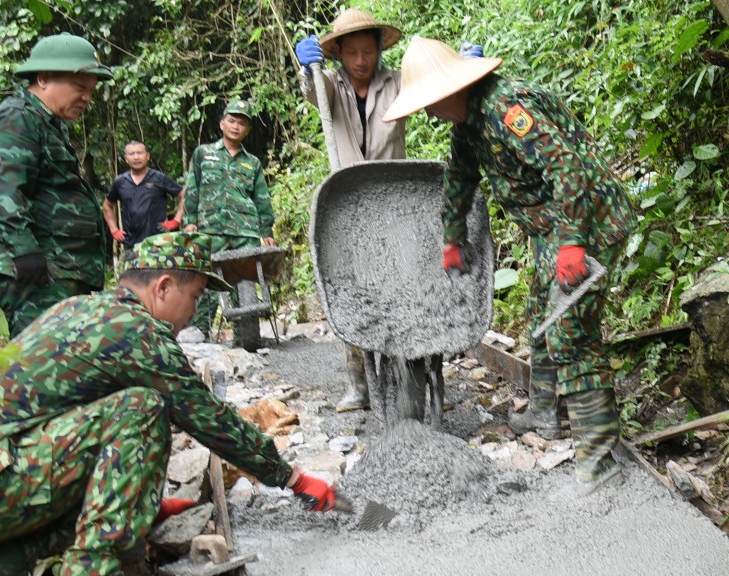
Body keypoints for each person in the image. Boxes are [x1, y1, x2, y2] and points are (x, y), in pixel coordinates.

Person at [0, 232, 343, 576]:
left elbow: (78, 438)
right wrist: (292, 477)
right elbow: (205, 418)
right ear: (163, 286)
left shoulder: (82, 310)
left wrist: (142, 504)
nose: (194, 311)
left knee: (117, 498)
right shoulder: (135, 332)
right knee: (143, 408)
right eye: (194, 297)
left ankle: (0, 567)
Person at [382, 36, 637, 493]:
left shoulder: (507, 110)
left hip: (587, 219)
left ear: (448, 92)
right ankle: (546, 413)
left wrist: (575, 244)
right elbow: (459, 178)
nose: (426, 113)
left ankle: (599, 461)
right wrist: (452, 238)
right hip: (550, 228)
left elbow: (569, 169)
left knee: (569, 330)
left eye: (428, 103)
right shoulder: (467, 126)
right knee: (540, 316)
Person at [294, 9, 444, 414]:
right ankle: (358, 382)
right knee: (349, 287)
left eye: (368, 51)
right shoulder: (330, 85)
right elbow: (312, 90)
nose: (361, 61)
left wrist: (462, 65)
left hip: (394, 204)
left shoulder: (396, 82)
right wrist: (306, 70)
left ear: (380, 51)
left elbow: (433, 89)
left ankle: (410, 371)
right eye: (352, 52)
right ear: (339, 53)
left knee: (401, 285)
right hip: (346, 205)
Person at [0, 33, 110, 338]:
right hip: (39, 273)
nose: (87, 98)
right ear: (44, 78)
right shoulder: (17, 119)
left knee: (61, 368)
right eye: (80, 88)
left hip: (60, 271)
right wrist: (25, 253)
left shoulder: (46, 123)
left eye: (91, 90)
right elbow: (5, 192)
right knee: (42, 370)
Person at [182, 99, 276, 338]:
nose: (236, 126)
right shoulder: (203, 153)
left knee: (243, 283)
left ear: (247, 130)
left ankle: (244, 336)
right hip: (210, 229)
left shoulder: (252, 162)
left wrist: (267, 233)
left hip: (245, 231)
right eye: (232, 121)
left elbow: (262, 199)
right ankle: (200, 334)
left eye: (242, 123)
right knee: (206, 282)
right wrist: (190, 220)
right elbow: (193, 188)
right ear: (222, 123)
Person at [103, 141, 185, 249]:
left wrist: (176, 220)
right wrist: (114, 230)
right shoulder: (121, 181)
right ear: (126, 158)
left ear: (147, 156)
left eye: (140, 153)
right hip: (131, 244)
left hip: (159, 243)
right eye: (132, 154)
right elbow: (107, 205)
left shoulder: (159, 178)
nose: (136, 157)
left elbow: (184, 194)